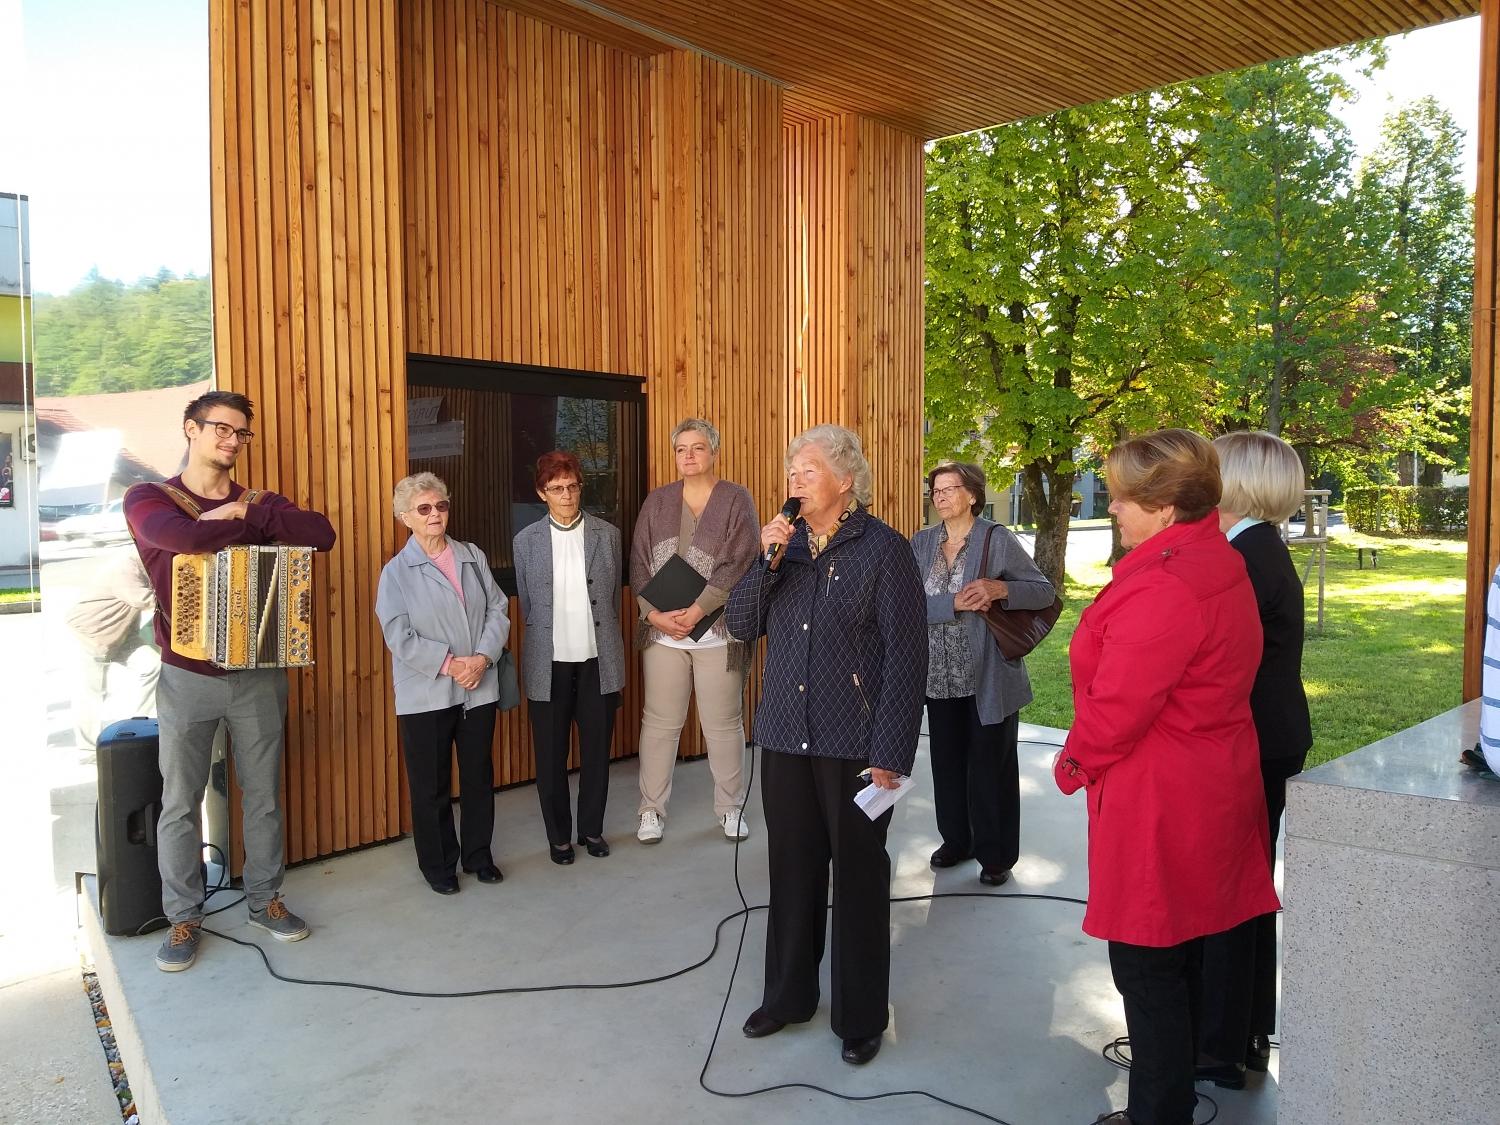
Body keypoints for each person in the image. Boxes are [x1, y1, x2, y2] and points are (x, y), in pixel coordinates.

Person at [1052, 428, 1279, 1125]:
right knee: (1180, 954)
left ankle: (1157, 1111)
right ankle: (1170, 1097)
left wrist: (1071, 763)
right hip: (1206, 781)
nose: (1112, 507)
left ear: (1166, 506)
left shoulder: (1168, 584)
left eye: (1124, 497)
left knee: (1148, 965)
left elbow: (1119, 708)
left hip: (1161, 796)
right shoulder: (1215, 558)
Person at [725, 423, 926, 1067]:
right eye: (791, 470)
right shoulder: (782, 548)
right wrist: (766, 560)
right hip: (786, 734)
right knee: (792, 869)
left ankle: (861, 1016)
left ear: (845, 478)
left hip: (855, 743)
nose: (795, 479)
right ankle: (787, 997)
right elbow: (740, 623)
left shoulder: (884, 549)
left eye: (808, 469)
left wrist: (892, 750)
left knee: (859, 877)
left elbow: (907, 656)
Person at [123, 390, 336, 973]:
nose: (232, 440)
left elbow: (321, 534)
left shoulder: (258, 502)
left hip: (258, 672)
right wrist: (224, 524)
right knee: (179, 802)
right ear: (190, 428)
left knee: (263, 796)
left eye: (241, 433)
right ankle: (183, 916)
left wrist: (244, 514)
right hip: (186, 675)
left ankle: (265, 902)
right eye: (221, 428)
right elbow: (181, 539)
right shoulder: (148, 497)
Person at [1195, 431, 1313, 1086]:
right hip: (1270, 736)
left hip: (1255, 742)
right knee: (1244, 887)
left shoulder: (1246, 556)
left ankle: (1222, 1043)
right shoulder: (1256, 546)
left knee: (1230, 891)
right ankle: (1242, 1033)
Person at [911, 461, 1054, 886]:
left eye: (949, 489)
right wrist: (951, 604)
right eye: (935, 491)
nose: (940, 497)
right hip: (937, 678)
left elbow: (1043, 591)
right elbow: (905, 603)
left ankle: (995, 856)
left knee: (991, 769)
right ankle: (957, 841)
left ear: (972, 494)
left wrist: (1001, 588)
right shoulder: (921, 543)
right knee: (947, 766)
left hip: (988, 678)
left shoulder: (996, 539)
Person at [376, 473, 515, 895]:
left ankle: (479, 857)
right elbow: (398, 636)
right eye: (424, 508)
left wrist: (483, 658)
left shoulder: (471, 555)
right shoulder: (395, 573)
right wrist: (453, 665)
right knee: (430, 786)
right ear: (405, 517)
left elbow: (498, 608)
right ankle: (438, 867)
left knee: (477, 778)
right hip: (426, 694)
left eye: (441, 505)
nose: (435, 514)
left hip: (479, 687)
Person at [630, 418, 760, 844]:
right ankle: (651, 809)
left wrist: (700, 608)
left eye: (698, 447)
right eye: (681, 448)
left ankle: (730, 808)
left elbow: (742, 558)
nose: (688, 455)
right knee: (660, 724)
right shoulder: (657, 501)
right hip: (664, 633)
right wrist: (653, 615)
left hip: (718, 631)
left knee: (723, 724)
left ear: (714, 452)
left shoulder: (736, 499)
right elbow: (639, 560)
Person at [513, 450, 624, 864]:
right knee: (550, 757)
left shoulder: (607, 535)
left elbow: (611, 601)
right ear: (542, 492)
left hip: (598, 661)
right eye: (556, 488)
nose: (566, 495)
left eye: (572, 486)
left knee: (596, 755)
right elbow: (529, 604)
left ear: (581, 487)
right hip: (549, 665)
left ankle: (591, 830)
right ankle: (558, 838)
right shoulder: (525, 542)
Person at [66, 546, 161, 751]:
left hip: (122, 635)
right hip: (92, 633)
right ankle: (87, 749)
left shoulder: (144, 564)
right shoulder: (127, 566)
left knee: (152, 666)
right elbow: (144, 599)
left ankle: (141, 728)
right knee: (91, 694)